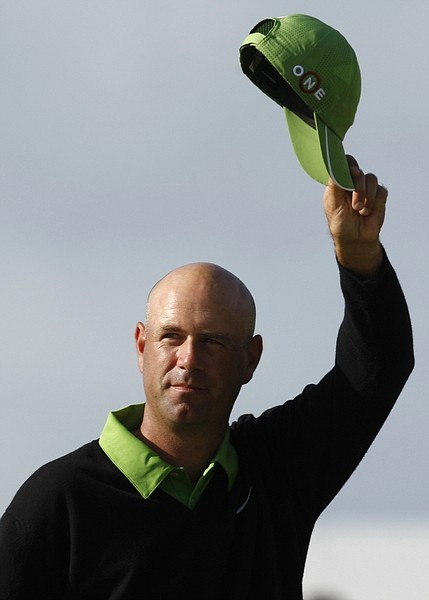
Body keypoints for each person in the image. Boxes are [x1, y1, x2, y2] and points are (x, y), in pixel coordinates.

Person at [0, 158, 414, 599]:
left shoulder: (279, 470)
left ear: (250, 360)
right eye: (171, 337)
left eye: (213, 342)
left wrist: (359, 254)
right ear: (142, 347)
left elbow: (377, 368)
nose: (189, 358)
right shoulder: (56, 503)